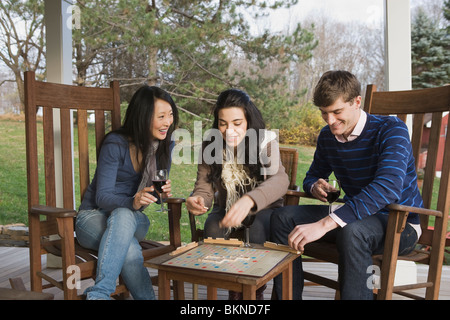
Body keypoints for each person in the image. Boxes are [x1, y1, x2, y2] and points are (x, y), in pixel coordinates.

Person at [271, 70, 423, 300]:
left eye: (337, 112)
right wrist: (315, 186)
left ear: (357, 102)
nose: (330, 121)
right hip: (353, 216)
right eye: (324, 113)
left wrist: (324, 224)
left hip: (399, 224)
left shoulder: (391, 129)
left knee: (352, 231)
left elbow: (388, 187)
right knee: (282, 218)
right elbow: (311, 176)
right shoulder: (327, 136)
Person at [75, 85, 178, 300]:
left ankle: (98, 294)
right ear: (142, 116)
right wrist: (133, 201)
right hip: (92, 217)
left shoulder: (163, 146)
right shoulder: (116, 144)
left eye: (170, 115)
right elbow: (102, 197)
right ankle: (103, 295)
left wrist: (161, 194)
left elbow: (150, 198)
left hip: (132, 220)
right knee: (130, 249)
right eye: (161, 116)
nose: (168, 122)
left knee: (123, 216)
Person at [186, 88, 289, 299]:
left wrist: (250, 201)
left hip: (264, 210)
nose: (229, 130)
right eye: (223, 123)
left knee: (257, 228)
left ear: (249, 121)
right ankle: (234, 289)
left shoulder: (265, 142)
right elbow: (204, 187)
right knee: (213, 226)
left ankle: (252, 292)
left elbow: (280, 179)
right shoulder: (210, 145)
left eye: (237, 123)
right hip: (226, 208)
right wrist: (198, 199)